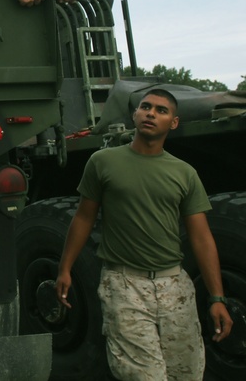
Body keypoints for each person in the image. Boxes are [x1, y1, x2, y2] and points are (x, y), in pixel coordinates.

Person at [55, 88, 233, 380]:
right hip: (124, 286)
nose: (151, 113)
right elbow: (84, 218)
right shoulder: (103, 162)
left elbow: (201, 237)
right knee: (144, 376)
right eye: (146, 107)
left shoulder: (184, 173)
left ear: (173, 123)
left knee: (186, 374)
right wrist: (65, 268)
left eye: (161, 110)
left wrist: (217, 297)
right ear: (135, 115)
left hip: (174, 287)